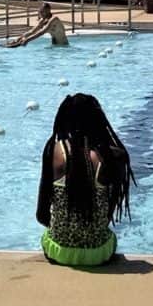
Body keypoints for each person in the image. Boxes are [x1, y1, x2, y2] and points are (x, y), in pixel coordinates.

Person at [34, 93, 134, 267]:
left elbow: (42, 215)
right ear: (98, 121)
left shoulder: (55, 150)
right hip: (98, 253)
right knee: (109, 237)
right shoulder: (111, 156)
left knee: (48, 236)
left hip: (59, 252)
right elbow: (108, 215)